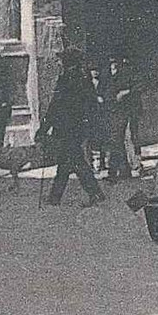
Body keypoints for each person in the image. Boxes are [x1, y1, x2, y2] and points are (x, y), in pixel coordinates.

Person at [36, 50, 105, 207]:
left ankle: (94, 193)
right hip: (77, 128)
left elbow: (55, 106)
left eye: (61, 60)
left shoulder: (66, 80)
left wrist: (43, 128)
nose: (59, 63)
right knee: (67, 162)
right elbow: (92, 105)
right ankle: (56, 197)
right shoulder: (83, 80)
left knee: (74, 162)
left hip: (67, 129)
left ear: (68, 62)